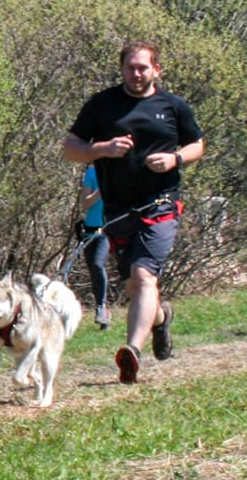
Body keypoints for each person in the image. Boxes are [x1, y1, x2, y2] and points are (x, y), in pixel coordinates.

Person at [62, 40, 205, 384]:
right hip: (117, 210)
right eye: (130, 67)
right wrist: (103, 149)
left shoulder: (172, 106)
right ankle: (160, 318)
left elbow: (197, 143)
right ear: (122, 69)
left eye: (143, 67)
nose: (136, 73)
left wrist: (175, 158)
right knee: (136, 287)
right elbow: (70, 149)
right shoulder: (102, 105)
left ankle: (132, 352)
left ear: (157, 70)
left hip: (161, 203)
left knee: (143, 276)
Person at [77, 165, 113, 330]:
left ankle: (102, 308)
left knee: (98, 264)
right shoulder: (91, 173)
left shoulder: (117, 173)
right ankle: (103, 314)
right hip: (90, 231)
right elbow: (85, 203)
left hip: (107, 230)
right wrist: (101, 191)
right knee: (93, 269)